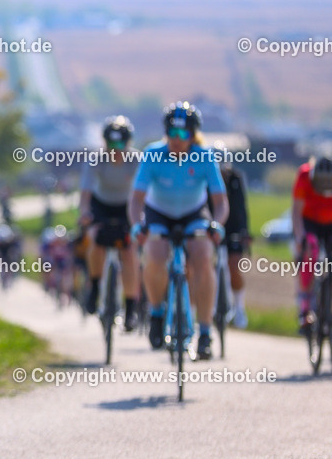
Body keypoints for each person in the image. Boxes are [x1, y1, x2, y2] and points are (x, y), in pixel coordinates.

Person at [128, 102, 229, 359]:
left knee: (204, 256)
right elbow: (137, 200)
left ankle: (205, 332)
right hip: (158, 212)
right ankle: (156, 313)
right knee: (154, 253)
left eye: (183, 134)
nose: (176, 139)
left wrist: (217, 224)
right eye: (172, 133)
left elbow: (220, 202)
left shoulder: (205, 157)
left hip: (193, 214)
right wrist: (138, 224)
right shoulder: (152, 154)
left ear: (193, 135)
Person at [78, 116, 141, 329]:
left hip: (126, 206)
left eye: (120, 144)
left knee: (129, 250)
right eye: (111, 144)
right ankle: (95, 286)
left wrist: (141, 219)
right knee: (95, 239)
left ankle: (131, 307)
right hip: (101, 204)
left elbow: (144, 193)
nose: (116, 150)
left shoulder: (136, 160)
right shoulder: (95, 159)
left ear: (128, 143)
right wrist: (85, 214)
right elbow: (86, 194)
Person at [212, 141, 251, 328]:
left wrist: (244, 232)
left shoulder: (236, 178)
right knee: (203, 263)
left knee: (234, 266)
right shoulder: (206, 180)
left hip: (233, 229)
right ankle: (207, 306)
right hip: (210, 228)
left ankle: (239, 308)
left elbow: (242, 209)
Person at [291, 156, 332, 334]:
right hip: (309, 221)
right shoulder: (304, 175)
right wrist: (301, 239)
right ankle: (305, 306)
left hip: (330, 223)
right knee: (311, 247)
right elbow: (296, 212)